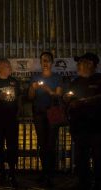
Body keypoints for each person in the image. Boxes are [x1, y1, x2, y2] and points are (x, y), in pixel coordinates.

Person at [64, 53, 101, 190]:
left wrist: (84, 102)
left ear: (90, 64)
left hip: (97, 127)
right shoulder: (75, 82)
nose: (78, 65)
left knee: (98, 157)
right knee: (81, 158)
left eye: (81, 62)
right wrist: (67, 99)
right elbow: (69, 98)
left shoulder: (99, 79)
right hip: (79, 127)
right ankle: (83, 182)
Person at [28, 52, 63, 187]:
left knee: (51, 144)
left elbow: (58, 95)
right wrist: (32, 88)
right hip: (39, 113)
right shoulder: (35, 77)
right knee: (42, 144)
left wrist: (49, 90)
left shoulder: (57, 77)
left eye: (48, 60)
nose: (45, 63)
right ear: (40, 62)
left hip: (52, 112)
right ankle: (44, 173)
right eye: (43, 60)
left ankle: (50, 174)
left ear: (52, 62)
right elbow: (30, 97)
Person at [0, 58, 21, 188]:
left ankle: (12, 173)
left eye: (9, 66)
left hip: (12, 120)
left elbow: (19, 98)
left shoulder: (14, 81)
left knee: (12, 146)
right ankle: (2, 172)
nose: (9, 68)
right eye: (6, 66)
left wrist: (18, 113)